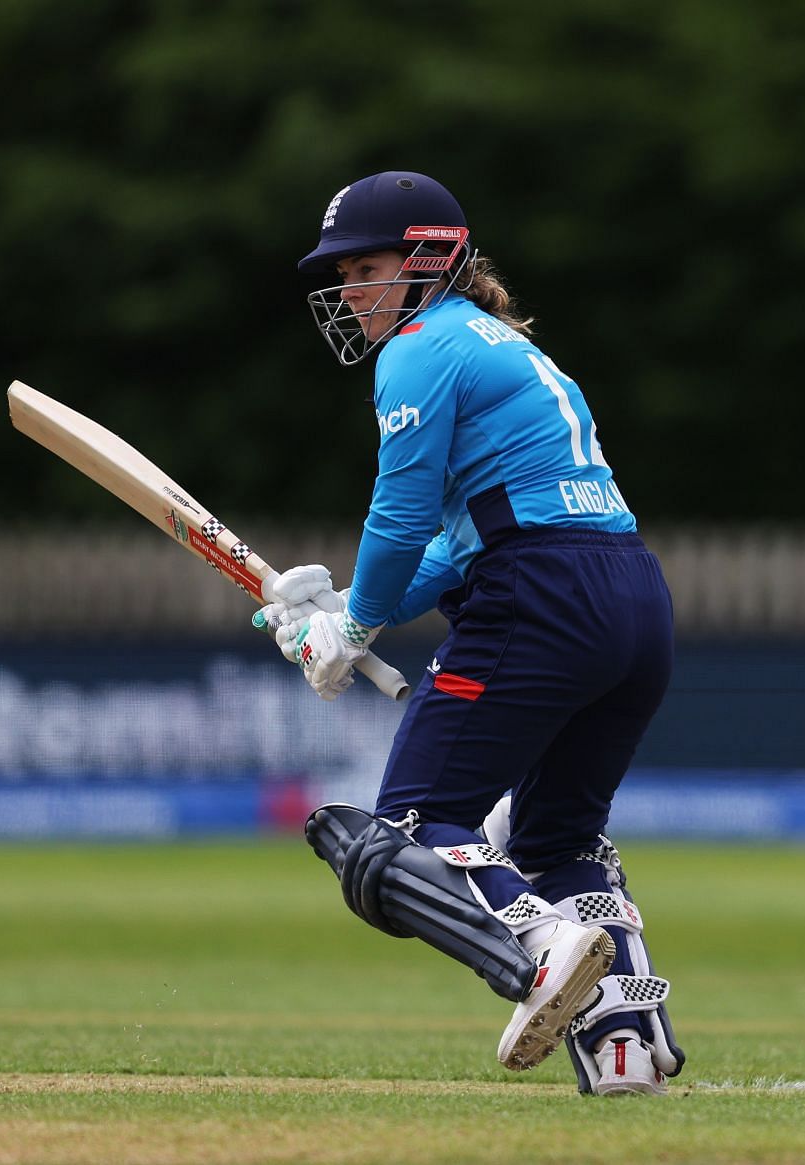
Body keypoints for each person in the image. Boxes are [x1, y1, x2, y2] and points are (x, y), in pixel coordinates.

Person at [252, 170, 684, 1096]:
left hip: (542, 595)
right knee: (562, 831)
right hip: (631, 596)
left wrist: (354, 623)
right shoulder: (505, 346)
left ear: (427, 261)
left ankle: (543, 947)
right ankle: (627, 1044)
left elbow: (402, 516)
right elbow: (455, 551)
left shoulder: (417, 349)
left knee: (407, 824)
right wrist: (336, 612)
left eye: (365, 267)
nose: (349, 290)